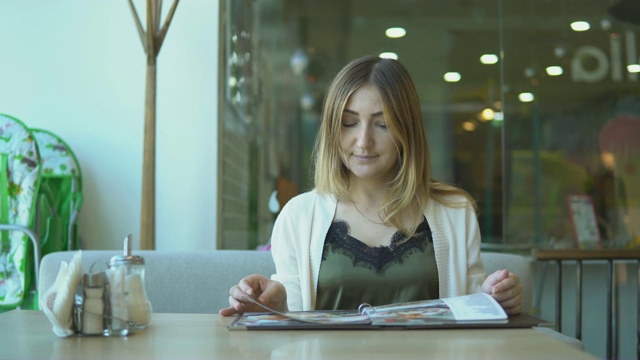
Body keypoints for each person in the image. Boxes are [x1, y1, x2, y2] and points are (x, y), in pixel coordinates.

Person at [219, 54, 523, 317]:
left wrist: (495, 298)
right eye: (350, 123)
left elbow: (473, 310)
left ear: (407, 131)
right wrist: (275, 305)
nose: (363, 141)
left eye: (382, 124)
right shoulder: (299, 215)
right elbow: (296, 319)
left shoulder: (454, 211)